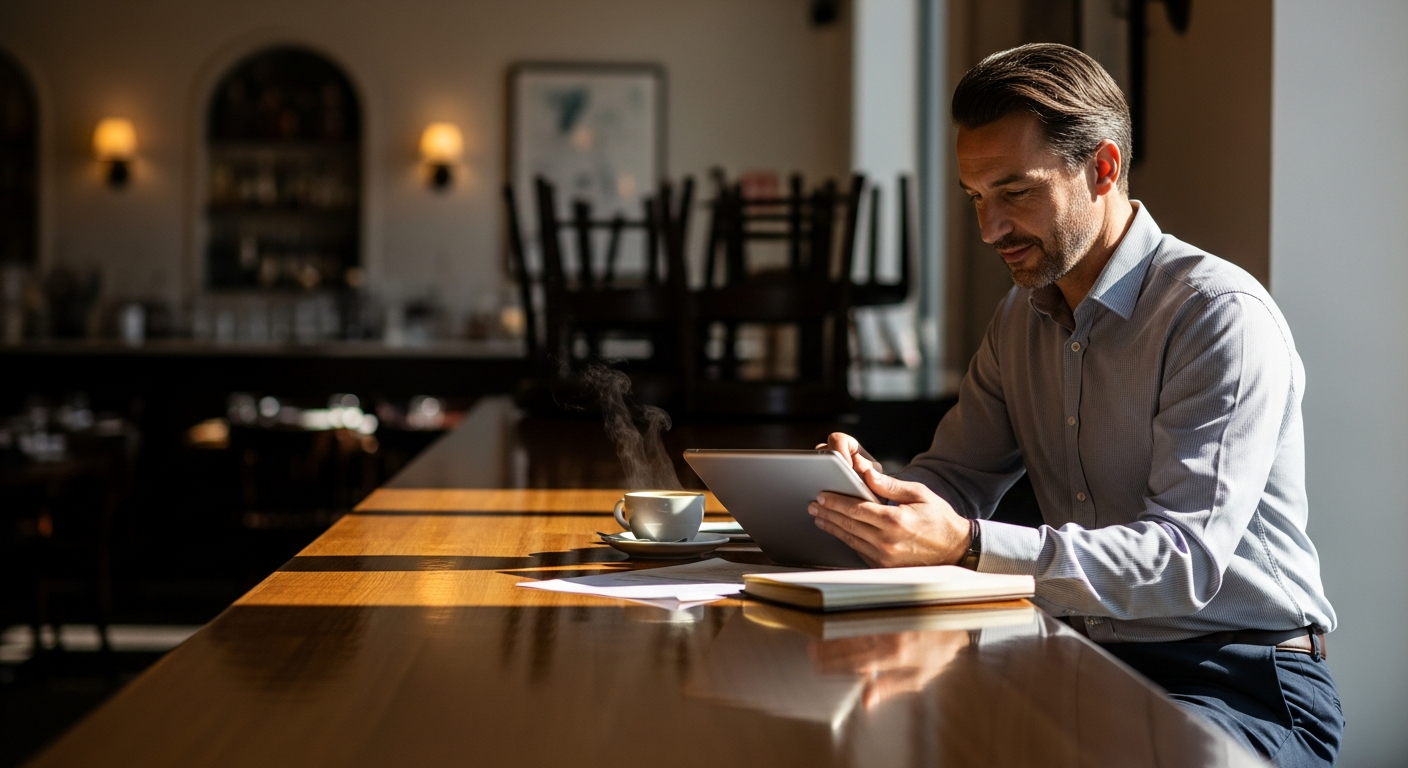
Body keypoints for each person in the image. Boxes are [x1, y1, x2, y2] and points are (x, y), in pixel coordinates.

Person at [809, 43, 1342, 766]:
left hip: (1238, 679)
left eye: (1015, 192)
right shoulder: (1020, 318)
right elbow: (955, 480)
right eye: (976, 197)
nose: (990, 229)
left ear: (1103, 169)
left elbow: (1182, 561)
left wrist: (967, 544)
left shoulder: (1216, 316)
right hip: (1077, 658)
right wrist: (868, 492)